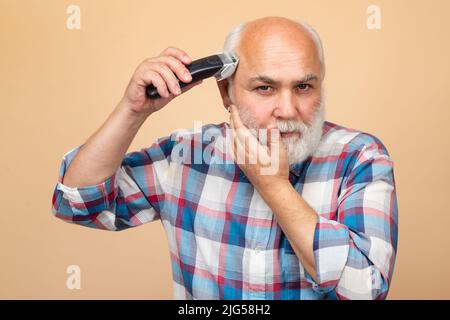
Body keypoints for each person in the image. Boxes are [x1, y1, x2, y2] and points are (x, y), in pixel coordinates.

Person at [51, 16, 398, 300]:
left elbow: (365, 290)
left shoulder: (360, 157)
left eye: (304, 87)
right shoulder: (187, 156)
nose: (288, 109)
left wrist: (273, 185)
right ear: (226, 91)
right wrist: (132, 111)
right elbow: (77, 204)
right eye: (265, 88)